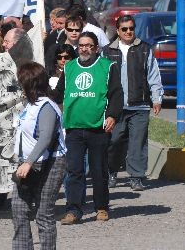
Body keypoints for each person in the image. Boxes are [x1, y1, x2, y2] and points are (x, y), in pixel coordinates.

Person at [53, 32, 123, 224]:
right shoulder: (69, 68)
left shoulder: (107, 67)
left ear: (96, 48)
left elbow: (116, 94)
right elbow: (58, 95)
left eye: (89, 45)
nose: (84, 48)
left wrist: (112, 116)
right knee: (74, 170)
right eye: (81, 45)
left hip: (98, 128)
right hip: (74, 128)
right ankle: (73, 210)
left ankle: (101, 207)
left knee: (99, 170)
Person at [102, 15, 163, 191]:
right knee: (113, 141)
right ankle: (111, 172)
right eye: (124, 29)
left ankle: (136, 177)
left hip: (140, 105)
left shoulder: (144, 49)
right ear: (118, 31)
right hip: (115, 107)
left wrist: (157, 98)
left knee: (138, 143)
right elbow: (101, 79)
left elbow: (153, 75)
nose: (129, 32)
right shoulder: (107, 51)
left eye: (131, 28)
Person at [12, 62, 66, 250]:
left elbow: (45, 137)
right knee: (19, 210)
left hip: (51, 163)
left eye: (21, 81)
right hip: (28, 163)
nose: (19, 85)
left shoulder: (47, 106)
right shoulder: (29, 105)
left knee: (43, 214)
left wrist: (28, 162)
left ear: (29, 84)